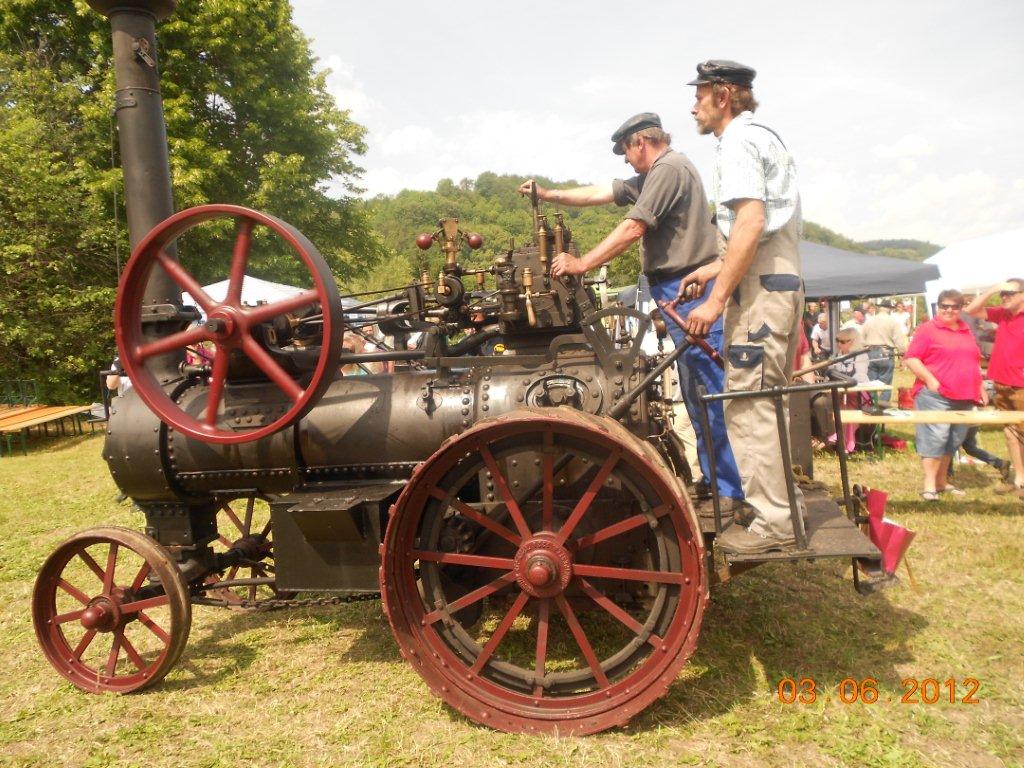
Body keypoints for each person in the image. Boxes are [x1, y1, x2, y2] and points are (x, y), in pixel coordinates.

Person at [520, 112, 746, 513]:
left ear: (641, 142)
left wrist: (581, 263)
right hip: (673, 290)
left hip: (687, 289)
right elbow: (600, 193)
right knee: (695, 392)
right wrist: (549, 194)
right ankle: (715, 483)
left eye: (626, 150)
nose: (625, 160)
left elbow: (633, 228)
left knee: (708, 388)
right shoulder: (655, 175)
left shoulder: (669, 169)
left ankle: (731, 492)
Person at [682, 59, 805, 554]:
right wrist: (713, 270)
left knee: (748, 403)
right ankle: (784, 507)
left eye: (700, 95)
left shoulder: (736, 142)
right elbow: (760, 229)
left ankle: (775, 525)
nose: (693, 106)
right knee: (763, 400)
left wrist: (714, 302)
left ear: (724, 97)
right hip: (778, 276)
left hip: (760, 289)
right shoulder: (765, 136)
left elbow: (751, 222)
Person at [903, 289, 985, 500]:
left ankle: (941, 482)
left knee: (954, 439)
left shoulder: (965, 330)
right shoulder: (927, 330)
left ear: (960, 308)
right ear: (938, 307)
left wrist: (981, 387)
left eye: (954, 307)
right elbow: (912, 358)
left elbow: (973, 361)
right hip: (935, 395)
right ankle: (929, 484)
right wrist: (931, 380)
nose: (949, 310)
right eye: (945, 306)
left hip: (965, 395)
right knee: (935, 437)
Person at [964, 279, 1024, 497]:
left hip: (1021, 385)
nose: (1005, 297)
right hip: (1002, 382)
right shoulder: (1003, 313)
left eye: (1010, 293)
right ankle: (1019, 479)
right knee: (1010, 433)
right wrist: (992, 290)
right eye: (1003, 294)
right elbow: (970, 310)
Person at [860, 298, 908, 402]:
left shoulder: (869, 321)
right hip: (886, 353)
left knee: (870, 383)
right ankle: (882, 407)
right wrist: (903, 353)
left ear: (880, 308)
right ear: (890, 309)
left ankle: (870, 405)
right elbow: (899, 341)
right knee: (886, 384)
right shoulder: (893, 322)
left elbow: (861, 339)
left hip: (870, 353)